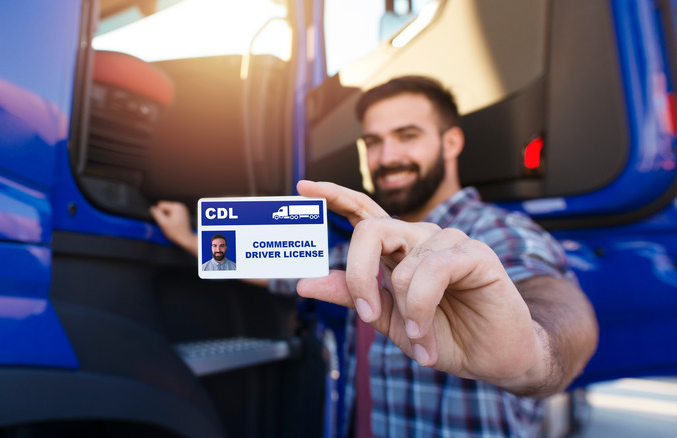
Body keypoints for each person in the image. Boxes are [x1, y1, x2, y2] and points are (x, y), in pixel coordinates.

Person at [151, 75, 598, 437]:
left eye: (407, 136)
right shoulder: (365, 242)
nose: (388, 156)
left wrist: (531, 353)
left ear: (451, 142)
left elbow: (559, 305)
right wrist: (190, 238)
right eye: (373, 142)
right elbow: (283, 270)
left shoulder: (496, 232)